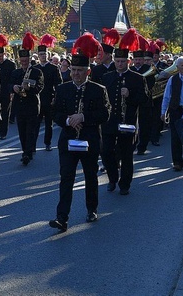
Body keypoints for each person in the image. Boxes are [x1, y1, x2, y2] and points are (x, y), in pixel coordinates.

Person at [50, 34, 111, 232]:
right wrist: (68, 120)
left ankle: (92, 208)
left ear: (88, 71)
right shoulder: (62, 89)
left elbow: (105, 113)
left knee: (90, 176)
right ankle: (62, 217)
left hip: (90, 139)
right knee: (66, 177)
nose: (75, 74)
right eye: (73, 70)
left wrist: (83, 117)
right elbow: (54, 112)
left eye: (80, 70)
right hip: (68, 140)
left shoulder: (98, 90)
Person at [101, 38, 149, 195]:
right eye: (117, 61)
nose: (120, 64)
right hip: (109, 122)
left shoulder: (137, 78)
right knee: (107, 152)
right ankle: (112, 178)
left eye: (123, 61)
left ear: (128, 61)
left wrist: (130, 94)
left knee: (127, 155)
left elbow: (145, 100)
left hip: (127, 122)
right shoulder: (107, 77)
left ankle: (125, 184)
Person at [10, 34, 43, 165]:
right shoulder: (15, 73)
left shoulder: (37, 72)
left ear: (29, 59)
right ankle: (25, 150)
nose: (24, 62)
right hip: (19, 105)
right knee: (22, 131)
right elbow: (8, 85)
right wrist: (14, 87)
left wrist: (29, 88)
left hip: (32, 105)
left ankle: (28, 153)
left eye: (26, 60)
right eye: (22, 60)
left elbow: (40, 87)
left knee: (30, 131)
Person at [36, 39, 63, 152]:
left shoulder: (54, 68)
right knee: (35, 123)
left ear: (48, 55)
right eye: (41, 54)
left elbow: (59, 84)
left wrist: (56, 98)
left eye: (44, 54)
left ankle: (47, 143)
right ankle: (33, 144)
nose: (43, 56)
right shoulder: (35, 68)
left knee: (48, 123)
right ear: (38, 55)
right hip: (36, 99)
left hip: (49, 98)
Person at [0, 37, 16, 140]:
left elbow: (13, 79)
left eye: (1, 56)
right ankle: (1, 126)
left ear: (4, 54)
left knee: (5, 113)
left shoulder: (11, 65)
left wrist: (11, 91)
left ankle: (3, 133)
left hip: (6, 92)